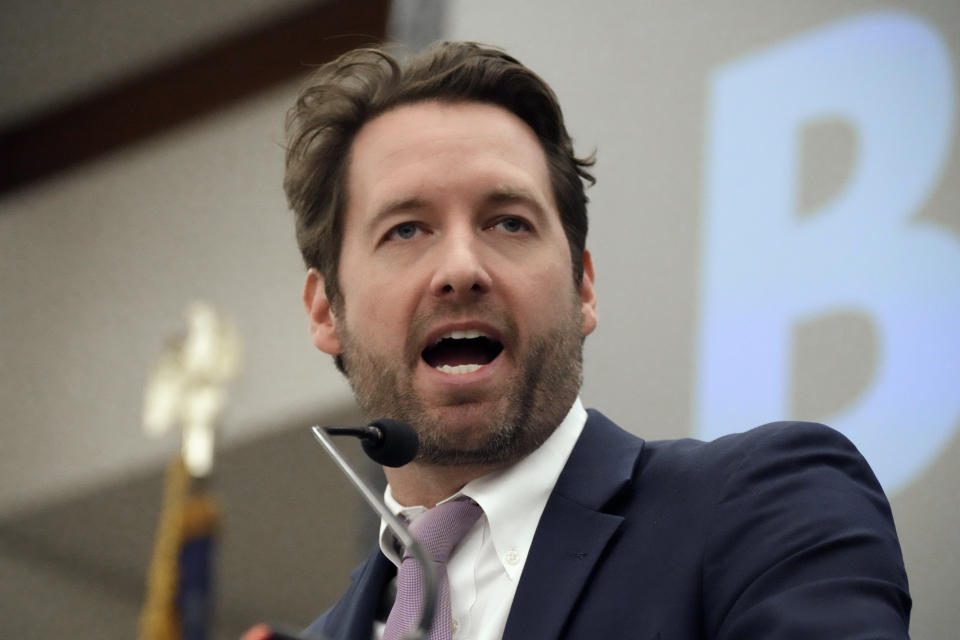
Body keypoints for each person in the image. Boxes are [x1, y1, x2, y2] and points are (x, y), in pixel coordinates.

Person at [270, 41, 910, 639]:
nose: (461, 269)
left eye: (509, 222)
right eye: (407, 230)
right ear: (327, 310)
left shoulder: (766, 505)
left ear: (582, 289)